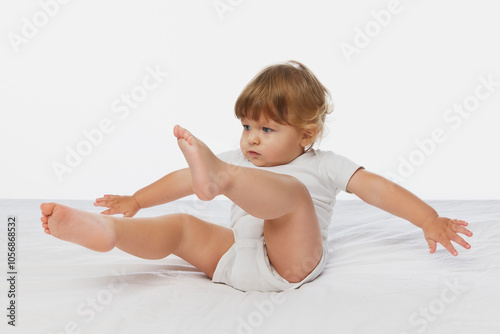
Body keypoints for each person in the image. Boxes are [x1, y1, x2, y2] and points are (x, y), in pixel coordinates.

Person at [40, 61, 473, 292]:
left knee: (292, 195)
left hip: (292, 263)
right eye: (247, 126)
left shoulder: (324, 164)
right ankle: (109, 232)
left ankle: (218, 183)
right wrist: (135, 201)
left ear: (307, 134)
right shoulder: (235, 160)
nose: (252, 139)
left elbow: (377, 188)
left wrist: (428, 219)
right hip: (235, 260)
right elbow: (181, 180)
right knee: (184, 228)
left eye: (267, 129)